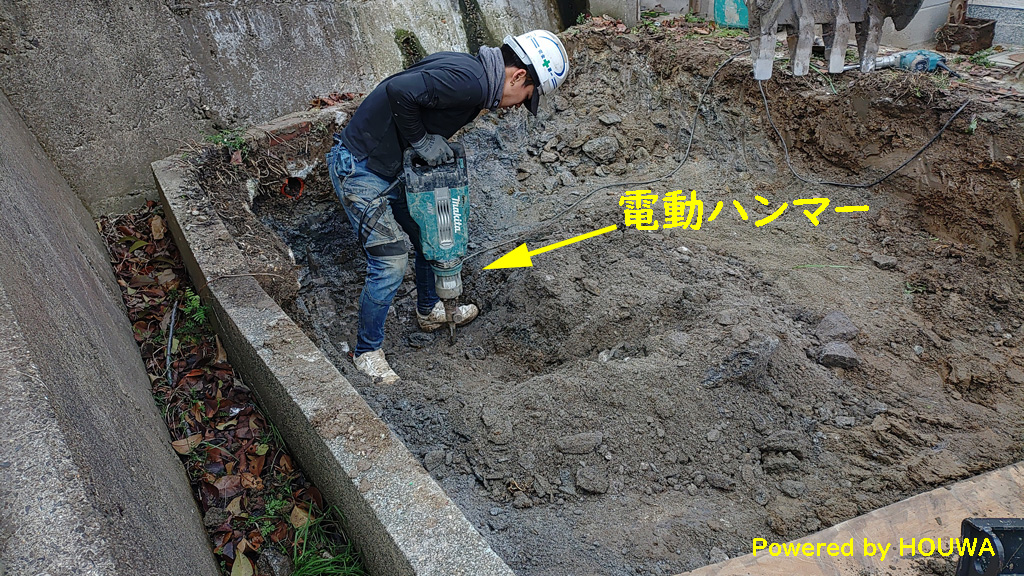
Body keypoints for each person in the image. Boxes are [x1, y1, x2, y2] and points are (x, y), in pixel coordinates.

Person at [326, 30, 570, 384]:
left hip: (393, 169)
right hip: (360, 166)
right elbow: (398, 91)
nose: (519, 104)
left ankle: (429, 309)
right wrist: (422, 141)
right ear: (517, 76)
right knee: (390, 258)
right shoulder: (469, 81)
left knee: (430, 234)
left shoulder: (473, 78)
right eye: (526, 96)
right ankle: (366, 352)